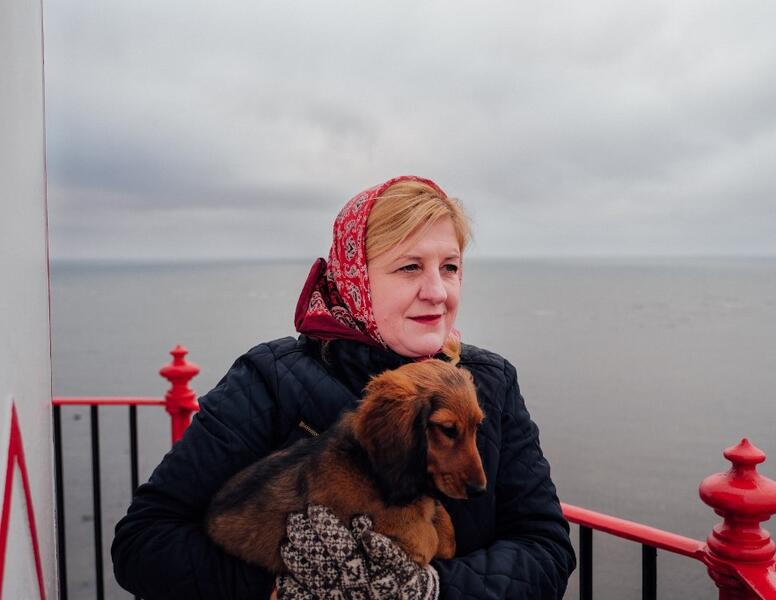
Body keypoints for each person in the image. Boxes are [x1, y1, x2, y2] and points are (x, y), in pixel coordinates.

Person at [111, 175, 576, 599]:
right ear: (353, 278)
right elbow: (146, 541)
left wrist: (426, 591)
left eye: (450, 267)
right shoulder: (270, 379)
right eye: (410, 267)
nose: (438, 291)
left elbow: (545, 549)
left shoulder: (490, 382)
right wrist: (285, 590)